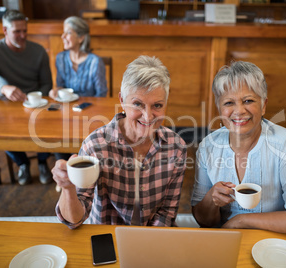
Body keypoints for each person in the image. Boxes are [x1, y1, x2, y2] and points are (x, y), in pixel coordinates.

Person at [52, 55, 187, 228]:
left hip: (153, 238)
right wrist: (68, 188)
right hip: (106, 237)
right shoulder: (95, 146)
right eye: (138, 104)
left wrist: (149, 243)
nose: (148, 115)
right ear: (122, 100)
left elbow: (167, 213)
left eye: (157, 105)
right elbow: (74, 220)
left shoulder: (176, 148)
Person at [191, 61, 286, 236]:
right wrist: (211, 199)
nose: (239, 111)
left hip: (274, 240)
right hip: (224, 243)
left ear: (264, 105)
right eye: (229, 103)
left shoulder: (285, 143)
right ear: (219, 109)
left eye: (248, 100)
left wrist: (240, 221)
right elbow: (203, 221)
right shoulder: (208, 146)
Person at [0, 10, 53, 185]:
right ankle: (22, 163)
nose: (22, 35)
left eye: (25, 31)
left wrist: (34, 99)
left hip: (37, 104)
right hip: (9, 106)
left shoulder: (39, 51)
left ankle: (43, 162)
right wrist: (3, 88)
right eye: (17, 32)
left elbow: (47, 84)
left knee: (50, 127)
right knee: (0, 133)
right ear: (5, 31)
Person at [48, 16, 107, 99]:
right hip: (68, 107)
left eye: (68, 33)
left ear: (81, 38)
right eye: (63, 32)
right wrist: (56, 91)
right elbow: (61, 87)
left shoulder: (95, 62)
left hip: (90, 108)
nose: (62, 36)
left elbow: (101, 95)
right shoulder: (60, 58)